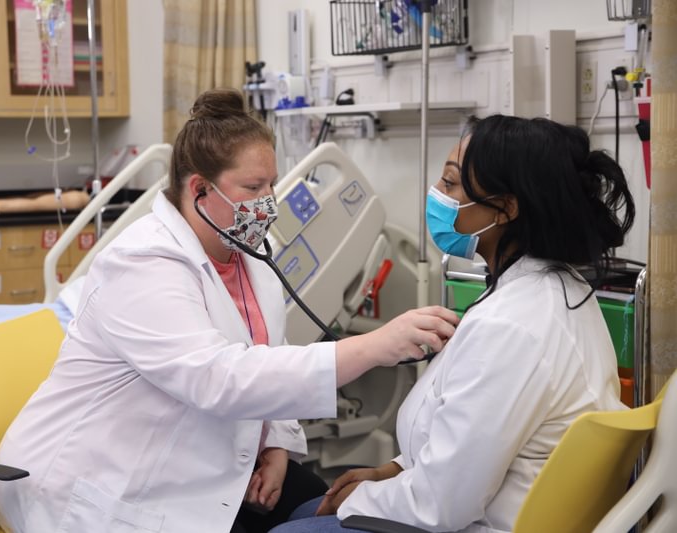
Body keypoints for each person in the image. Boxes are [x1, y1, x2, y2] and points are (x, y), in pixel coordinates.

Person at [0, 88, 460, 533]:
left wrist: (276, 443)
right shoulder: (143, 262)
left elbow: (268, 353)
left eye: (272, 184)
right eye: (253, 187)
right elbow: (218, 377)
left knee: (332, 506)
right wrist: (373, 346)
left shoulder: (247, 251)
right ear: (200, 190)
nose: (268, 202)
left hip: (203, 459)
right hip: (97, 483)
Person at [269, 114, 636, 533]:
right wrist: (391, 471)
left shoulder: (512, 327)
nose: (437, 195)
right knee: (302, 512)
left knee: (288, 528)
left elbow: (442, 505)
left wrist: (367, 495)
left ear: (506, 208)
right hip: (484, 501)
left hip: (475, 522)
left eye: (450, 184)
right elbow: (473, 447)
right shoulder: (556, 288)